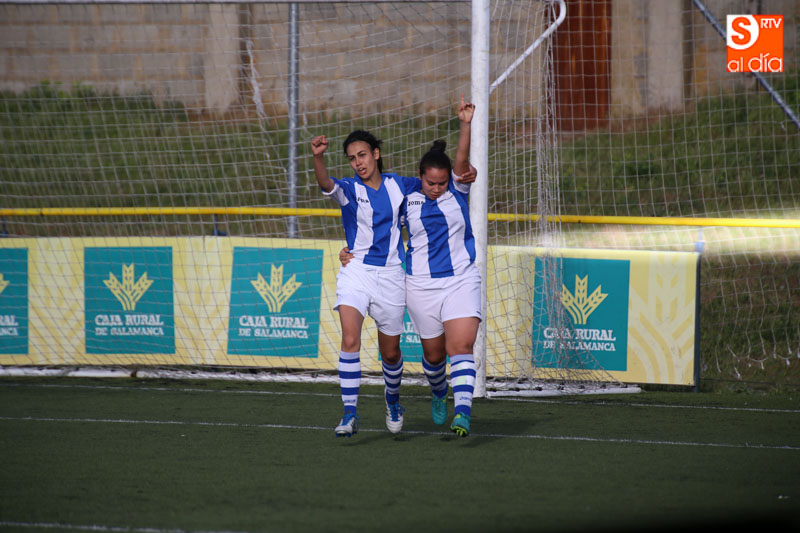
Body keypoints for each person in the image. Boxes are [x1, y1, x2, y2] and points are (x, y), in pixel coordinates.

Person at [340, 95, 481, 437]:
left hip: (461, 279)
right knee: (433, 357)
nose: (437, 188)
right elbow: (378, 222)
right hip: (420, 285)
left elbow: (461, 162)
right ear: (420, 178)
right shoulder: (407, 197)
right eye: (431, 182)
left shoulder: (458, 190)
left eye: (442, 182)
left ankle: (463, 412)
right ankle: (439, 391)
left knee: (460, 347)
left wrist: (465, 124)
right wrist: (350, 250)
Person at [311, 129, 421, 438]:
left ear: (376, 154)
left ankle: (393, 401)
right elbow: (325, 183)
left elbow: (433, 181)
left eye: (362, 155)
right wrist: (318, 157)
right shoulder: (349, 189)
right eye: (351, 158)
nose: (358, 163)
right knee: (350, 339)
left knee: (391, 354)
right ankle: (349, 413)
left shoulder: (399, 185)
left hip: (391, 276)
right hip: (356, 270)